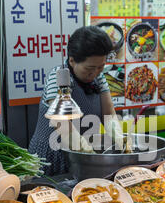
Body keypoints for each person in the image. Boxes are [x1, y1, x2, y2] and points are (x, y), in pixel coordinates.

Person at [28, 26, 117, 176]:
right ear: (72, 61)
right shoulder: (58, 79)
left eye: (100, 67)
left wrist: (120, 140)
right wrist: (87, 151)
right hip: (51, 155)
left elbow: (109, 115)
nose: (95, 73)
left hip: (81, 155)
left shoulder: (99, 78)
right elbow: (64, 128)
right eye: (89, 68)